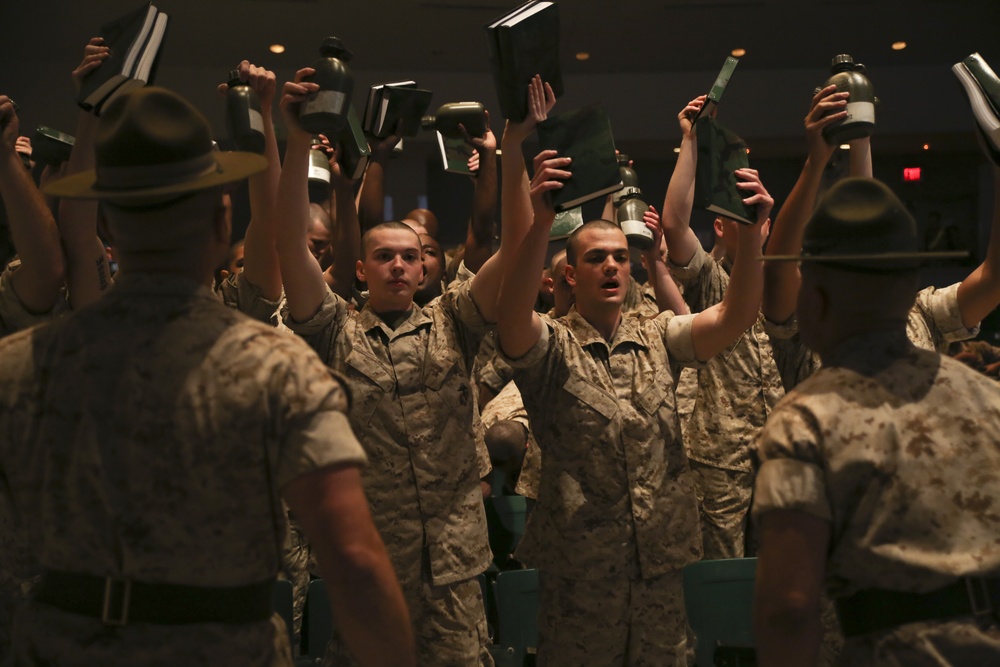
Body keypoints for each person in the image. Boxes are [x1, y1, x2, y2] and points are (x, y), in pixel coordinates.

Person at [0, 86, 414, 667]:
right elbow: (354, 560)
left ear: (111, 230)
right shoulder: (278, 372)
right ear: (222, 223)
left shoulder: (17, 368)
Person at [495, 79, 772, 665]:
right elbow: (513, 317)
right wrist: (542, 223)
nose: (613, 266)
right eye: (597, 258)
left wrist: (752, 241)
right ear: (570, 276)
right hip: (580, 573)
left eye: (621, 256)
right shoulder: (553, 346)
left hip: (659, 566)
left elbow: (733, 317)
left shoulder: (658, 336)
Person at [269, 66, 509, 666]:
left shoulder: (454, 318)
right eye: (384, 257)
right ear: (361, 269)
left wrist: (510, 155)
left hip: (453, 568)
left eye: (410, 257)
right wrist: (297, 143)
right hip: (370, 561)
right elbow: (289, 245)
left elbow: (511, 248)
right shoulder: (334, 330)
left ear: (425, 268)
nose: (400, 266)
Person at [752, 176, 1000, 666]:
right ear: (910, 291)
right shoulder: (990, 399)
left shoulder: (805, 422)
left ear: (815, 299)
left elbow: (789, 609)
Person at [660, 95, 782, 558]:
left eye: (758, 213)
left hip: (781, 457)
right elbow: (673, 223)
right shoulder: (715, 283)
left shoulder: (786, 293)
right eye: (739, 210)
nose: (752, 219)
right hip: (720, 460)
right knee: (722, 583)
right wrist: (691, 141)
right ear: (720, 226)